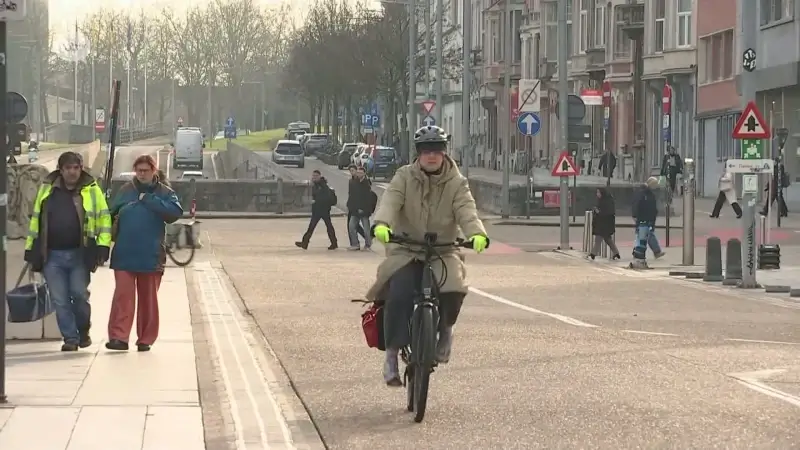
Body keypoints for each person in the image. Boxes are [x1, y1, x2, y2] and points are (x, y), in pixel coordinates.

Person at [365, 125, 489, 386]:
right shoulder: (403, 177)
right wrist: (382, 225)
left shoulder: (457, 182)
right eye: (425, 151)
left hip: (443, 249)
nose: (431, 156)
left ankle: (445, 330)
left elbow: (466, 209)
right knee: (397, 294)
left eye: (437, 150)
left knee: (455, 288)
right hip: (406, 248)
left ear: (444, 153)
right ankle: (390, 356)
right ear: (418, 154)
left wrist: (476, 233)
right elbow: (390, 202)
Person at [25, 151, 112, 351]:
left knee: (79, 294)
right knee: (60, 300)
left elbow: (104, 218)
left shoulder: (91, 190)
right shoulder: (47, 189)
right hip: (52, 256)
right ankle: (70, 339)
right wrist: (31, 249)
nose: (72, 172)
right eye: (68, 168)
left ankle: (83, 330)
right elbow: (36, 220)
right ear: (61, 170)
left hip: (79, 255)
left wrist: (103, 245)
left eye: (76, 168)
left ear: (81, 169)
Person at [106, 155, 183, 351]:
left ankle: (145, 338)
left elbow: (175, 212)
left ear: (153, 171)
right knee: (123, 297)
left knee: (148, 300)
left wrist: (149, 200)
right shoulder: (125, 191)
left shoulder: (165, 192)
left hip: (151, 254)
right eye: (138, 170)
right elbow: (109, 213)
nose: (141, 174)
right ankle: (118, 337)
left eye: (145, 170)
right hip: (124, 252)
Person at [295, 170, 338, 250]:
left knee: (328, 226)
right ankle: (305, 243)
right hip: (317, 210)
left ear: (319, 176)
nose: (313, 177)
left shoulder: (323, 185)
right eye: (313, 176)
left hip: (324, 210)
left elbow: (325, 197)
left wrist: (315, 201)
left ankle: (334, 243)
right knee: (312, 227)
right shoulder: (315, 185)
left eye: (315, 176)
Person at [631, 177, 664, 265]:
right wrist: (635, 215)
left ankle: (639, 254)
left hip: (646, 218)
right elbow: (637, 204)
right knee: (643, 235)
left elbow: (652, 208)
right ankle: (640, 254)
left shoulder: (649, 194)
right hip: (643, 218)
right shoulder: (643, 194)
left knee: (643, 235)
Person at [347, 166, 376, 250]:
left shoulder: (366, 183)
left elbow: (367, 198)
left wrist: (363, 208)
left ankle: (368, 244)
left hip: (364, 210)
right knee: (351, 226)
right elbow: (352, 195)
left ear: (364, 173)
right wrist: (350, 206)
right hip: (355, 209)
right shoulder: (353, 182)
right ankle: (355, 244)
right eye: (358, 172)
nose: (359, 174)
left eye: (360, 173)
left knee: (366, 229)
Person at [588, 188, 620, 260]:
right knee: (607, 239)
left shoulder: (607, 201)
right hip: (603, 224)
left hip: (605, 224)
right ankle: (616, 253)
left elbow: (607, 213)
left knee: (598, 238)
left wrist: (598, 211)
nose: (597, 194)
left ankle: (593, 253)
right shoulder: (602, 200)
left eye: (598, 192)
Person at [346, 164, 366, 239]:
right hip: (351, 206)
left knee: (353, 225)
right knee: (352, 225)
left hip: (357, 206)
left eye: (353, 171)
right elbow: (350, 194)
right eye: (350, 171)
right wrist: (348, 204)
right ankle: (353, 242)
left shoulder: (360, 181)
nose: (352, 173)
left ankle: (365, 237)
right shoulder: (351, 181)